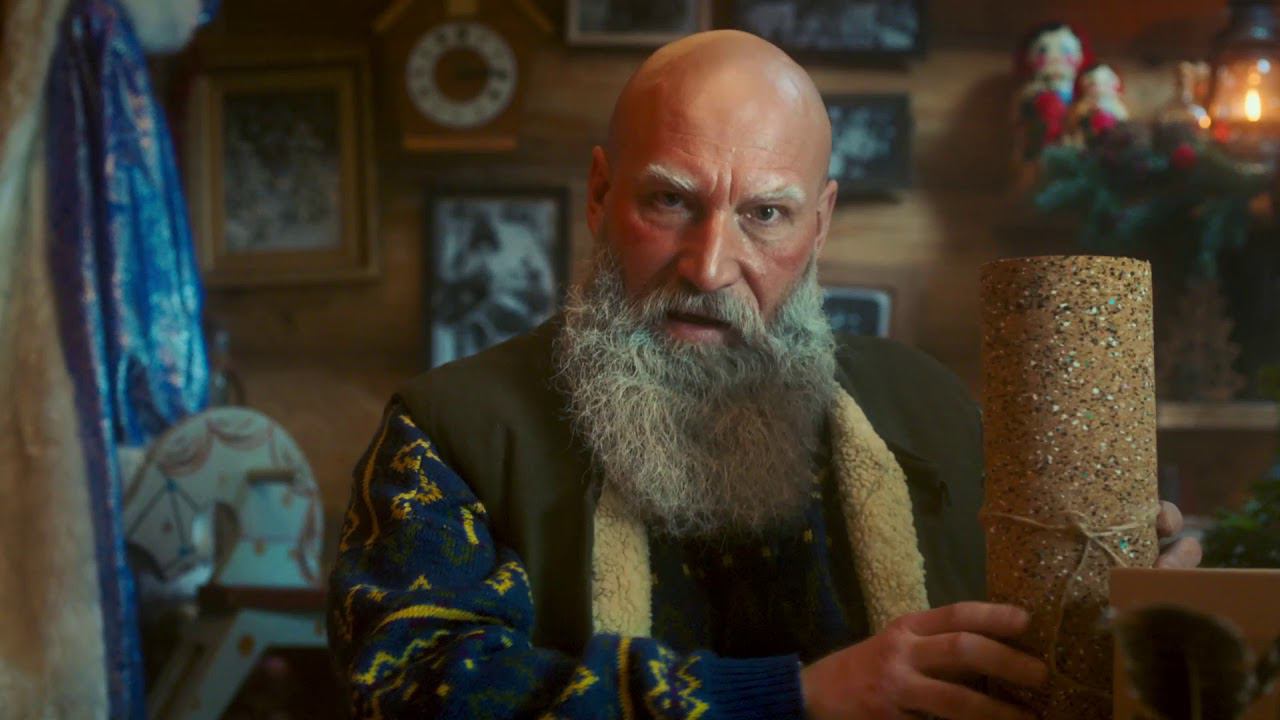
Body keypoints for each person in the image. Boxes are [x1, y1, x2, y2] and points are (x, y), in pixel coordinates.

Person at [328, 30, 1202, 720]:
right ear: (600, 194)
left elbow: (1027, 654)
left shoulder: (929, 408)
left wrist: (1122, 583)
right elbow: (410, 687)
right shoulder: (448, 433)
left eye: (767, 214)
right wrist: (794, 699)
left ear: (819, 225)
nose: (710, 266)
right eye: (670, 200)